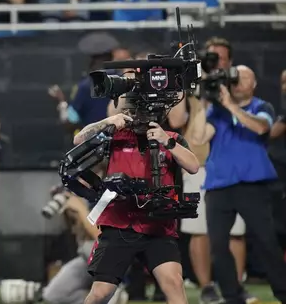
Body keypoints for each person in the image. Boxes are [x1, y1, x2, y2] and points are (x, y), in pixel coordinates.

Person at [73, 106, 200, 304]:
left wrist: (166, 141)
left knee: (174, 283)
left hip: (158, 226)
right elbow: (79, 140)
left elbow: (193, 166)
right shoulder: (116, 135)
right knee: (100, 293)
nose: (138, 117)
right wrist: (107, 122)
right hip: (120, 223)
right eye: (133, 112)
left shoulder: (170, 137)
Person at [191, 65, 286, 304]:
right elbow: (198, 137)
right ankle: (232, 296)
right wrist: (203, 105)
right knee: (218, 246)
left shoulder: (262, 107)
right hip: (218, 185)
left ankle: (283, 293)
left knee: (266, 242)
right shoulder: (217, 111)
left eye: (245, 78)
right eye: (236, 77)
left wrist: (231, 106)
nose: (239, 82)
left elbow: (261, 127)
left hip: (252, 185)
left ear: (254, 84)